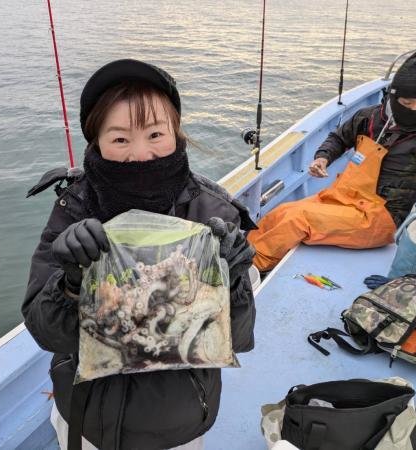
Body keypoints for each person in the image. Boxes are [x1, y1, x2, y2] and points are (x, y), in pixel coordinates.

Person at [22, 59, 257, 450]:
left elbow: (241, 338)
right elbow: (45, 333)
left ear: (175, 132)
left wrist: (234, 282)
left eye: (155, 134)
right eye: (120, 139)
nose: (140, 153)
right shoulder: (74, 208)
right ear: (96, 142)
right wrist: (69, 285)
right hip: (85, 417)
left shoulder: (214, 214)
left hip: (179, 423)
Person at [248, 45, 416, 271]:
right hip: (344, 197)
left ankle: (248, 272)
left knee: (297, 219)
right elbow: (339, 138)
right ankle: (242, 255)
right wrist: (322, 158)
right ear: (394, 96)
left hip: (381, 217)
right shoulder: (369, 117)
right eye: (407, 103)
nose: (415, 109)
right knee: (279, 213)